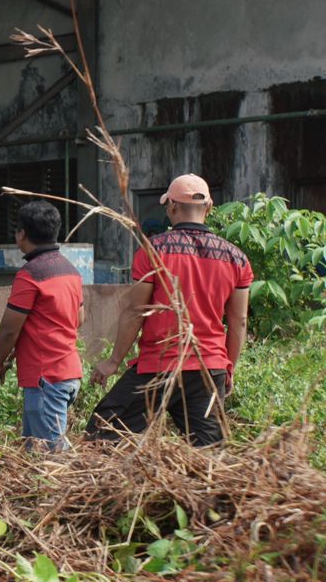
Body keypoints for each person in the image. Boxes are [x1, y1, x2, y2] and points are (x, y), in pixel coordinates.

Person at [86, 174, 251, 446]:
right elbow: (239, 321)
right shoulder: (236, 257)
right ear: (209, 208)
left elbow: (135, 311)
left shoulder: (154, 250)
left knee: (103, 433)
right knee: (208, 455)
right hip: (209, 368)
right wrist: (227, 368)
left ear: (172, 207)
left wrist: (113, 361)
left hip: (159, 366)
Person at [0, 201, 85, 450]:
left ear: (22, 234)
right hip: (68, 373)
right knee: (34, 452)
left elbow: (9, 328)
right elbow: (78, 319)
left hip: (46, 378)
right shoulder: (70, 269)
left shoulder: (30, 274)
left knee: (51, 460)